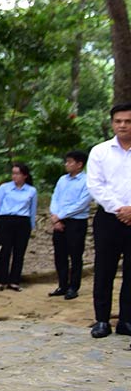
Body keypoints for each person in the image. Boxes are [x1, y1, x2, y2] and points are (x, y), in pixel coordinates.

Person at [87, 102, 131, 339]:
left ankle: (126, 320)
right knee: (104, 270)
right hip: (108, 218)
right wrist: (119, 209)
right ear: (112, 123)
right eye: (118, 121)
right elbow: (95, 185)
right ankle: (102, 320)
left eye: (128, 121)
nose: (123, 125)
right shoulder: (100, 152)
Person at [0, 162, 37, 292]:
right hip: (5, 220)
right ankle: (0, 280)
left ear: (24, 176)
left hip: (23, 222)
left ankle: (14, 281)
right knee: (4, 251)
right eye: (13, 173)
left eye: (17, 173)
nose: (14, 176)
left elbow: (32, 210)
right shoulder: (4, 188)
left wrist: (31, 226)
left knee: (19, 252)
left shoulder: (31, 190)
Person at [49, 150, 91, 301]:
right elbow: (55, 198)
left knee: (75, 255)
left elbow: (81, 204)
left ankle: (74, 286)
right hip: (58, 221)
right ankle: (62, 285)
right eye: (66, 161)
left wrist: (61, 215)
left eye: (70, 162)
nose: (66, 164)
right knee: (60, 254)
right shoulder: (62, 180)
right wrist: (55, 218)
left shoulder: (87, 181)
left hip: (76, 221)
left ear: (79, 164)